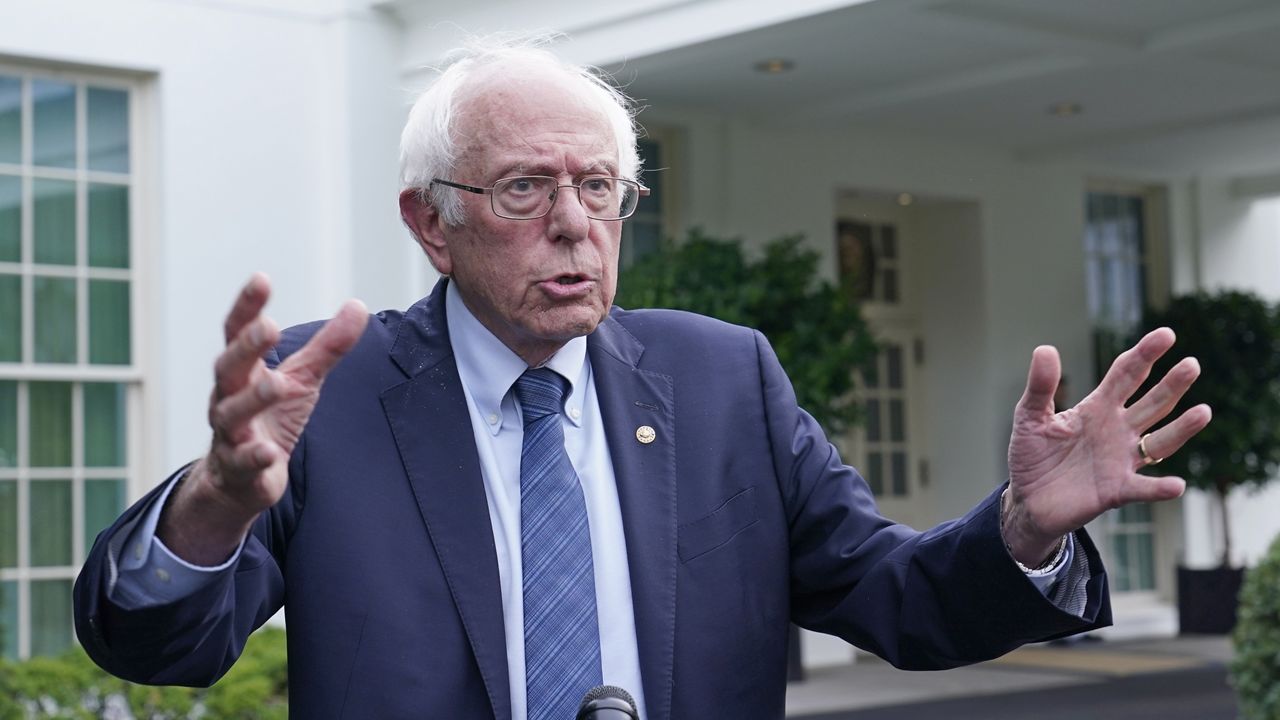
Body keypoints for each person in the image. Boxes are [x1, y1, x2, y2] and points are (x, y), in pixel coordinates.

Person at [73, 39, 1211, 720]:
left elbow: (899, 605)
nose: (574, 226)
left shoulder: (723, 380)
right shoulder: (331, 386)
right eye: (524, 189)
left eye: (601, 188)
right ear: (431, 223)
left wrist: (1022, 529)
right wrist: (215, 503)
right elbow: (158, 649)